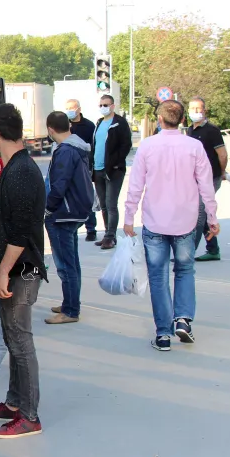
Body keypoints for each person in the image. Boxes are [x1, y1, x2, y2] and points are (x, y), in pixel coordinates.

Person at [123, 100, 219, 352]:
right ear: (183, 119)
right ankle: (184, 321)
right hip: (186, 220)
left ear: (159, 119)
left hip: (155, 220)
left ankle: (163, 334)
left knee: (158, 277)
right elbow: (206, 185)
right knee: (185, 270)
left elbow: (136, 185)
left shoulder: (147, 146)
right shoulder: (194, 146)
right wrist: (212, 217)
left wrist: (129, 217)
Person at [0, 103, 47, 439]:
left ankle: (29, 415)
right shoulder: (14, 166)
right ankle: (15, 403)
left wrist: (3, 271)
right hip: (14, 268)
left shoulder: (20, 172)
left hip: (21, 269)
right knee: (12, 337)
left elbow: (18, 235)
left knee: (20, 341)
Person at [43, 112, 94, 324]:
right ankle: (70, 303)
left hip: (63, 213)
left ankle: (71, 311)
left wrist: (48, 208)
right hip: (75, 211)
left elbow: (59, 184)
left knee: (65, 264)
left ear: (50, 129)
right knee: (72, 261)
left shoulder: (64, 151)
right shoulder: (78, 147)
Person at [187, 97, 227, 262]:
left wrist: (222, 172)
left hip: (210, 178)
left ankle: (187, 253)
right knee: (202, 214)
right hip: (195, 178)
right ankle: (213, 249)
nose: (195, 112)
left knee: (199, 214)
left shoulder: (212, 130)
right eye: (192, 108)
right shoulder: (190, 130)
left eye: (199, 108)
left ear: (205, 110)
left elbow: (222, 154)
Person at [92, 95, 132, 250]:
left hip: (113, 170)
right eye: (101, 104)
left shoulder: (119, 123)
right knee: (103, 205)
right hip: (98, 169)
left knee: (111, 204)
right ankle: (108, 234)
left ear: (113, 106)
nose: (103, 107)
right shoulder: (100, 123)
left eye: (106, 104)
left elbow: (126, 145)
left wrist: (115, 163)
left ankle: (110, 236)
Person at [65, 99, 98, 242]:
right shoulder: (64, 124)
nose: (69, 110)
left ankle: (91, 228)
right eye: (67, 108)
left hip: (84, 166)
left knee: (86, 196)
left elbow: (93, 146)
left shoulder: (89, 126)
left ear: (79, 109)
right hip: (66, 166)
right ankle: (73, 225)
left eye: (72, 108)